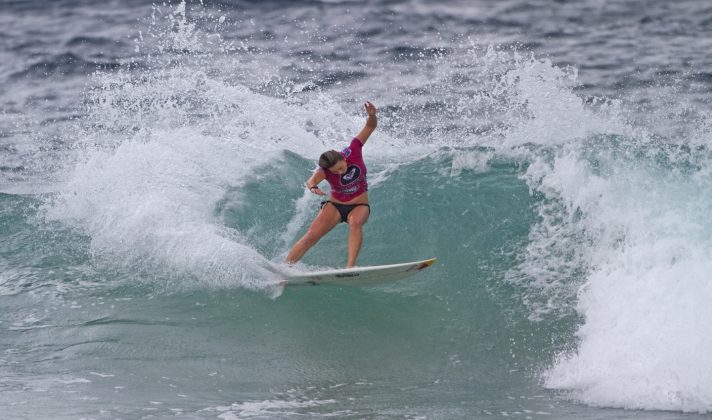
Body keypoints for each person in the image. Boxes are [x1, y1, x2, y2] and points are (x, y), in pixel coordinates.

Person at [286, 101, 377, 267]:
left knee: (355, 222)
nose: (339, 172)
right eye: (335, 172)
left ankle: (350, 267)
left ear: (343, 157)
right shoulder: (326, 170)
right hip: (335, 205)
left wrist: (372, 115)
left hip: (359, 205)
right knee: (311, 236)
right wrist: (313, 187)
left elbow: (369, 128)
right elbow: (312, 180)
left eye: (341, 168)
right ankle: (284, 269)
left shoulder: (354, 150)